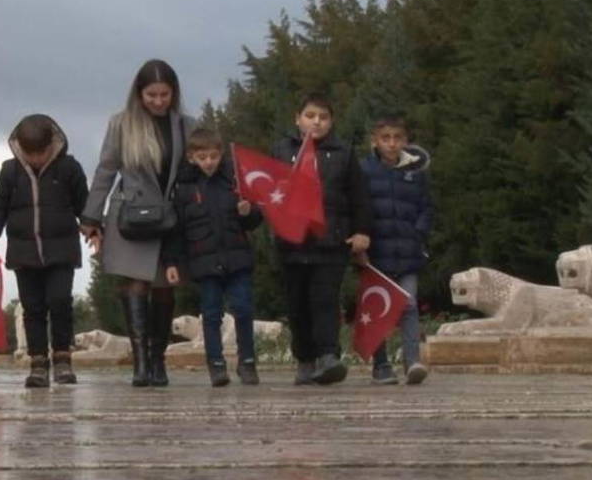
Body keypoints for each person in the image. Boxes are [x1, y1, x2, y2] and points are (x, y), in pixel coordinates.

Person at [79, 59, 194, 387]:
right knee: (134, 285)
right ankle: (140, 362)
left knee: (163, 288)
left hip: (168, 217)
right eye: (151, 95)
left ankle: (159, 360)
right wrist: (91, 216)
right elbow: (106, 169)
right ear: (139, 94)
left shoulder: (187, 126)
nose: (158, 101)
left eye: (164, 95)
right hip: (130, 215)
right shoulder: (121, 124)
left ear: (173, 93)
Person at [271, 94, 372, 385]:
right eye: (310, 115)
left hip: (330, 240)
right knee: (297, 304)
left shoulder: (343, 152)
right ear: (297, 118)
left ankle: (329, 356)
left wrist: (362, 231)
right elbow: (270, 190)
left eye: (323, 117)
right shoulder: (281, 149)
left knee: (325, 299)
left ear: (332, 121)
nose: (316, 121)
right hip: (291, 242)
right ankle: (305, 359)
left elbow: (359, 197)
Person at [0, 114, 90, 388]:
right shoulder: (10, 170)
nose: (35, 159)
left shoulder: (69, 168)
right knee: (32, 308)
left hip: (61, 249)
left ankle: (63, 359)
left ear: (51, 145)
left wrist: (92, 226)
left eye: (40, 153)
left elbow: (84, 203)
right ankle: (38, 363)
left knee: (60, 302)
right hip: (24, 251)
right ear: (19, 147)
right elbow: (0, 205)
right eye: (29, 153)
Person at [165, 127, 264, 387]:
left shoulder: (234, 181)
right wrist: (172, 262)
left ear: (221, 154)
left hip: (237, 258)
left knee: (242, 309)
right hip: (204, 262)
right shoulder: (184, 189)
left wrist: (247, 212)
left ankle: (247, 361)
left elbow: (255, 220)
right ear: (191, 158)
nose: (209, 162)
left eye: (213, 156)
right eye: (203, 157)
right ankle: (216, 364)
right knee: (210, 314)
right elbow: (176, 230)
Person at [361, 114, 435, 385]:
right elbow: (358, 208)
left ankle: (412, 360)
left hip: (408, 251)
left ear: (405, 141)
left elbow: (427, 207)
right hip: (376, 252)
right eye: (385, 138)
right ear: (375, 141)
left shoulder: (415, 173)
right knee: (378, 308)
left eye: (397, 138)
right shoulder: (364, 171)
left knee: (409, 306)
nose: (391, 144)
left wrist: (418, 232)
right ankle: (381, 365)